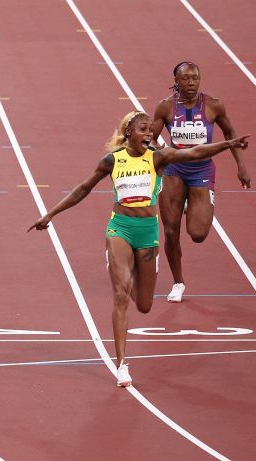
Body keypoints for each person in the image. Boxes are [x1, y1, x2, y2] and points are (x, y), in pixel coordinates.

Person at [28, 111, 248, 386]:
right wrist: (49, 215)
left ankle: (133, 270)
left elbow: (195, 153)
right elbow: (83, 189)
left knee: (143, 305)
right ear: (129, 132)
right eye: (143, 130)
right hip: (119, 228)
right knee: (120, 295)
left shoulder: (158, 158)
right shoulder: (112, 160)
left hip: (147, 233)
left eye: (151, 131)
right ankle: (122, 364)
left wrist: (227, 144)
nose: (149, 135)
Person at [151, 61, 251, 302]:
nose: (191, 82)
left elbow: (230, 135)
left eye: (195, 78)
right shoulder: (165, 108)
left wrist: (241, 165)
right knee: (171, 230)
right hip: (174, 171)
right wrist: (160, 158)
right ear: (176, 81)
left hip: (201, 171)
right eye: (185, 78)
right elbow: (151, 139)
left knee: (198, 234)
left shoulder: (213, 105)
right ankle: (178, 282)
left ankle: (195, 202)